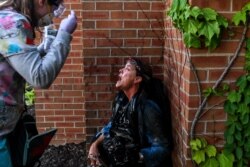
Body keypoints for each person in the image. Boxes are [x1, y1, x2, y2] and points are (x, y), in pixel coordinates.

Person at [0, 0, 77, 166]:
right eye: (53, 7)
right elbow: (39, 77)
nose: (51, 16)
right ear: (41, 1)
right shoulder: (12, 23)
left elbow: (14, 62)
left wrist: (41, 50)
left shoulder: (8, 17)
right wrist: (64, 35)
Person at [88, 57, 173, 167]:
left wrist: (136, 156)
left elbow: (163, 147)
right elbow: (111, 126)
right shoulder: (120, 101)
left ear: (137, 79)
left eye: (127, 69)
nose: (121, 70)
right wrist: (94, 145)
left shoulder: (147, 108)